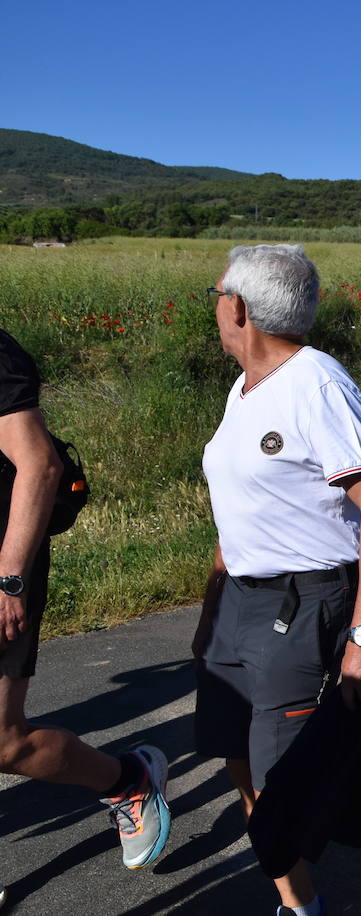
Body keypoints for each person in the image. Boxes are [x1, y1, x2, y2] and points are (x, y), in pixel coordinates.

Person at [196, 245, 361, 916]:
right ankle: (301, 901)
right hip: (238, 604)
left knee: (296, 789)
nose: (215, 303)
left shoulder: (316, 383)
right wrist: (211, 606)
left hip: (301, 603)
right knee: (243, 765)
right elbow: (244, 506)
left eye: (219, 292)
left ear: (241, 309)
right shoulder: (245, 387)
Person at [0, 333, 172, 897]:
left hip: (3, 565)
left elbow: (40, 467)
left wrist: (11, 578)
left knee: (4, 743)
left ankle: (127, 781)